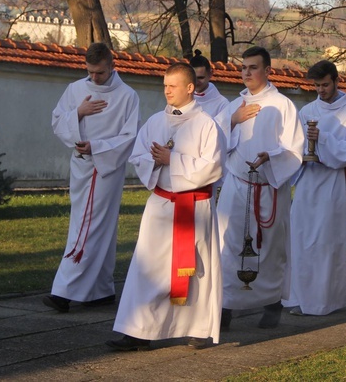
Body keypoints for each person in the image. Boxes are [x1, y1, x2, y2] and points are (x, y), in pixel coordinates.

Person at [107, 63, 224, 351]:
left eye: (172, 86)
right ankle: (138, 330)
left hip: (194, 207)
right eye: (164, 86)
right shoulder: (155, 122)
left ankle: (198, 329)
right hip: (161, 205)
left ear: (189, 88)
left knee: (195, 271)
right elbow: (138, 156)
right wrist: (155, 161)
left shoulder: (206, 124)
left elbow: (214, 168)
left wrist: (173, 160)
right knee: (149, 268)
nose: (167, 91)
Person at [45, 42, 140, 313]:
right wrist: (78, 113)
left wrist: (96, 147)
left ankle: (63, 291)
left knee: (88, 226)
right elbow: (56, 121)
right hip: (81, 166)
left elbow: (130, 136)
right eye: (90, 72)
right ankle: (100, 289)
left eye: (99, 72)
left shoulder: (127, 96)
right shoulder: (76, 89)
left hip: (106, 169)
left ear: (112, 66)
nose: (94, 78)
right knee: (96, 226)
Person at [216, 46, 305, 329]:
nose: (246, 73)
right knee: (228, 244)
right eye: (243, 68)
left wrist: (272, 157)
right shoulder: (233, 106)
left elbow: (294, 148)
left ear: (267, 70)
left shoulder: (282, 105)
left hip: (268, 186)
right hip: (236, 184)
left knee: (268, 247)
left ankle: (271, 303)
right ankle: (225, 307)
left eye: (253, 67)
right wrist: (233, 121)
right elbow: (213, 141)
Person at [285, 60, 346, 316]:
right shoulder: (307, 110)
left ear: (336, 80)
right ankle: (300, 296)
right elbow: (296, 145)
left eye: (325, 85)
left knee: (326, 241)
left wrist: (324, 139)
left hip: (332, 184)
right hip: (308, 182)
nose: (321, 90)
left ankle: (326, 300)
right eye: (317, 86)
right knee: (302, 238)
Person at [190, 50, 231, 142]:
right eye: (193, 78)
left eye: (201, 77)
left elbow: (223, 138)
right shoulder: (181, 99)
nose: (197, 82)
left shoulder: (223, 104)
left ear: (210, 74)